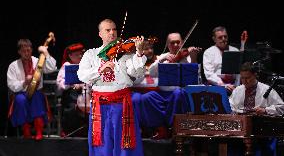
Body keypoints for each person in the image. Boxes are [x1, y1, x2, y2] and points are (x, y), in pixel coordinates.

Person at [77, 19, 146, 156]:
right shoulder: (91, 54)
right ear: (100, 34)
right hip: (100, 104)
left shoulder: (126, 54)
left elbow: (137, 76)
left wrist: (139, 54)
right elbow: (82, 76)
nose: (112, 33)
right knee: (102, 143)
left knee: (124, 144)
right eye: (107, 30)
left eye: (114, 29)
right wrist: (100, 70)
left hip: (122, 104)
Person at [143, 32, 201, 138]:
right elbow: (150, 73)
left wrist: (193, 59)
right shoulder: (162, 57)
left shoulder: (187, 59)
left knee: (178, 93)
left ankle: (173, 127)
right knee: (147, 97)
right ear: (168, 45)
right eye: (172, 43)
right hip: (162, 94)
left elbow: (195, 81)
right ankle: (160, 128)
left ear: (182, 43)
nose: (175, 45)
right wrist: (162, 59)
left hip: (180, 94)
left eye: (178, 42)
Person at [229, 62, 284, 155]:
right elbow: (230, 106)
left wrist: (265, 110)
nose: (244, 81)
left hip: (260, 128)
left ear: (255, 75)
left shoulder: (266, 89)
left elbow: (281, 107)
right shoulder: (238, 90)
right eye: (242, 78)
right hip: (240, 129)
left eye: (248, 78)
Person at [7, 39, 57, 140]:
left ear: (31, 50)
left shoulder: (38, 61)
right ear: (19, 52)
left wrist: (46, 53)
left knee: (37, 97)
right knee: (20, 100)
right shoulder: (13, 65)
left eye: (28, 50)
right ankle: (26, 131)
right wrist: (24, 82)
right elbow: (11, 84)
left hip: (36, 92)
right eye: (24, 51)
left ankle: (39, 131)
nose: (26, 53)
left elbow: (52, 68)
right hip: (21, 93)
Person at [56, 43, 89, 137]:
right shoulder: (67, 66)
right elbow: (59, 83)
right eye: (77, 54)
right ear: (70, 56)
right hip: (72, 95)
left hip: (86, 94)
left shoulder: (86, 65)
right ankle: (72, 130)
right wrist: (71, 84)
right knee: (71, 107)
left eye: (81, 54)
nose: (80, 56)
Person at [203, 26, 239, 93]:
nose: (223, 39)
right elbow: (209, 74)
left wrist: (237, 86)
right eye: (220, 37)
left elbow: (238, 73)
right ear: (214, 39)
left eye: (225, 36)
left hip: (234, 85)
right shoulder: (208, 52)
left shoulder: (235, 50)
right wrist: (223, 85)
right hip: (216, 85)